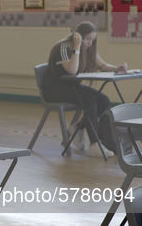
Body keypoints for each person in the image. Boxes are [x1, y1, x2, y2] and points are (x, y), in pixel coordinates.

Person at [42, 21, 127, 158]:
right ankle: (94, 144)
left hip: (71, 87)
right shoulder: (64, 47)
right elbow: (72, 70)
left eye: (92, 40)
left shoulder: (88, 49)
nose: (89, 43)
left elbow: (102, 65)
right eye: (87, 39)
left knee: (103, 100)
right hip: (54, 89)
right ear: (78, 36)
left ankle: (78, 127)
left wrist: (117, 68)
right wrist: (77, 47)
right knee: (90, 100)